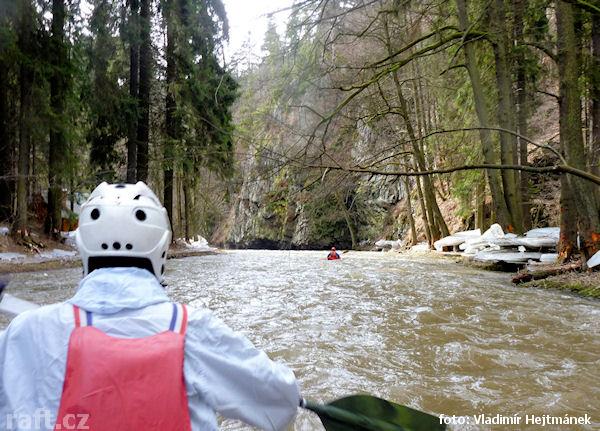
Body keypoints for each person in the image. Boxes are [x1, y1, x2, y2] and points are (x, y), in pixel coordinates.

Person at [0, 182, 300, 431]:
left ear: (82, 245)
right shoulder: (194, 330)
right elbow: (281, 403)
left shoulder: (24, 333)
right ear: (161, 248)